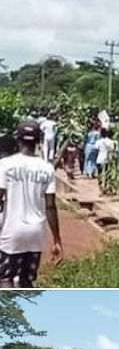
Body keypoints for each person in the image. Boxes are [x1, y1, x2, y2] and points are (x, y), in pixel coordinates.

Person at [0, 120, 63, 287]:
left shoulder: (5, 165)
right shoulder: (47, 168)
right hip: (36, 232)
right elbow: (50, 206)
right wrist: (57, 239)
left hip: (11, 230)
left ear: (18, 139)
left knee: (6, 278)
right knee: (26, 279)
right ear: (38, 141)